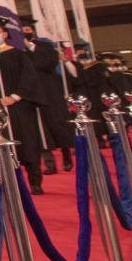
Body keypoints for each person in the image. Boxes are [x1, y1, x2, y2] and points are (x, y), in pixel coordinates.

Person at [0, 19, 46, 193]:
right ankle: (9, 181)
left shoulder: (17, 54)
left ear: (5, 34)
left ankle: (34, 180)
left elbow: (29, 77)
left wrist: (15, 97)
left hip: (20, 105)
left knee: (27, 143)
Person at [24, 20, 74, 172]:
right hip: (32, 93)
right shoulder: (19, 51)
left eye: (27, 29)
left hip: (49, 92)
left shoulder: (44, 47)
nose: (24, 32)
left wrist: (31, 47)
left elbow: (47, 63)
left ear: (33, 31)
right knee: (40, 129)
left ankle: (66, 155)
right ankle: (49, 163)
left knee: (57, 125)